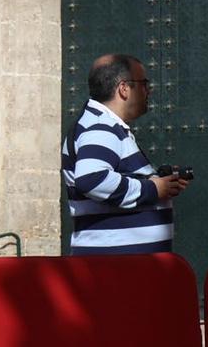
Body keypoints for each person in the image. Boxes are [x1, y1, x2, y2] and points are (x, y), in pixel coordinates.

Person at [62, 54, 189, 255]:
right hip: (114, 267)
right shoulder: (100, 126)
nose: (149, 91)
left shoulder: (102, 125)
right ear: (124, 89)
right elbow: (92, 180)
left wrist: (157, 180)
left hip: (120, 266)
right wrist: (153, 189)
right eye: (144, 84)